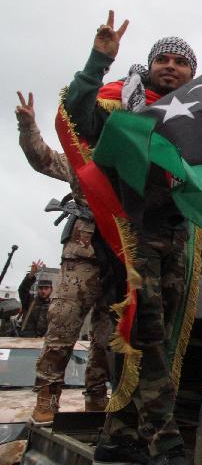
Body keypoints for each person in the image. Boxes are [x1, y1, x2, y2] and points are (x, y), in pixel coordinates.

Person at [63, 11, 197, 465]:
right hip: (131, 237)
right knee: (149, 333)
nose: (171, 66)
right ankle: (165, 440)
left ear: (192, 74)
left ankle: (119, 434)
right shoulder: (122, 101)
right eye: (164, 58)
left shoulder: (198, 116)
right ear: (150, 63)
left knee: (157, 337)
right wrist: (97, 61)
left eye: (181, 62)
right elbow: (78, 118)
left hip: (176, 240)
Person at [15, 90, 113, 424]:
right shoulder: (81, 157)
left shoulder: (132, 158)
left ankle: (97, 398)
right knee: (63, 326)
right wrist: (28, 128)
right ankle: (47, 396)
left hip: (119, 258)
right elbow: (42, 158)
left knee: (106, 337)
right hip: (82, 255)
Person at [18, 261, 52, 337]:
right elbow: (22, 289)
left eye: (46, 288)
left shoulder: (54, 306)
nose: (43, 291)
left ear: (51, 290)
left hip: (43, 342)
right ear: (37, 289)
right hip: (25, 341)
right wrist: (31, 274)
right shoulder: (29, 301)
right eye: (41, 288)